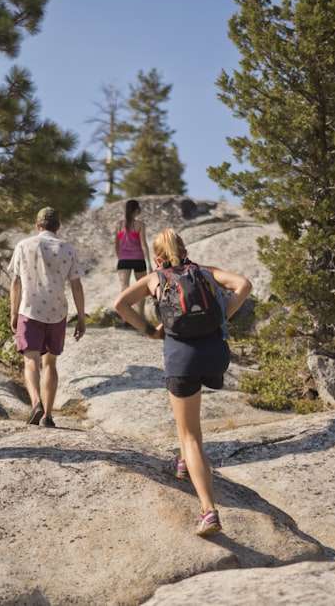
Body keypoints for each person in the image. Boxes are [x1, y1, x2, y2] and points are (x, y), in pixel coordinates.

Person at [113, 228, 252, 536]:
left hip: (182, 360)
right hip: (216, 355)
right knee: (187, 425)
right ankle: (182, 462)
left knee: (191, 436)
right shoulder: (205, 272)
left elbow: (120, 305)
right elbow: (244, 284)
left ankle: (208, 510)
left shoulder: (154, 279)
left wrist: (150, 331)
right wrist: (222, 317)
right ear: (185, 249)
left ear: (158, 256)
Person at [8, 207, 86, 428]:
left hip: (30, 309)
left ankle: (35, 403)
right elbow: (76, 285)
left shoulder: (24, 245)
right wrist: (81, 317)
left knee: (30, 361)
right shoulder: (68, 249)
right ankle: (48, 416)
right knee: (50, 363)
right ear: (58, 226)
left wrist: (14, 313)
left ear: (37, 225)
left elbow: (15, 281)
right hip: (57, 312)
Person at [114, 199, 150, 319]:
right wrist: (149, 263)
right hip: (139, 259)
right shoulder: (140, 224)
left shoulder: (118, 225)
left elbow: (116, 245)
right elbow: (143, 244)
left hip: (123, 259)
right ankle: (140, 316)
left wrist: (120, 257)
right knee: (142, 289)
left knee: (124, 288)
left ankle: (126, 318)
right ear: (137, 210)